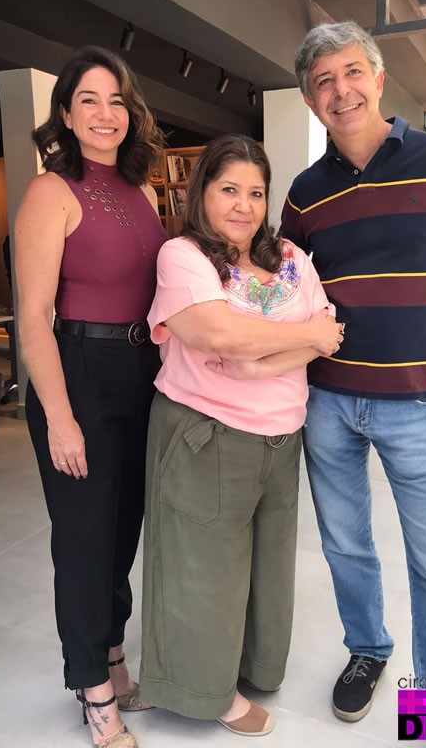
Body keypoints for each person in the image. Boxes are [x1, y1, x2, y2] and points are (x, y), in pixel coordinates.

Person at [281, 21, 426, 747]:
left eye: (352, 72)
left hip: (416, 401)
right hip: (327, 400)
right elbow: (291, 290)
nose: (340, 90)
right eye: (323, 81)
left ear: (378, 79)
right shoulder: (304, 194)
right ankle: (368, 649)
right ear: (310, 100)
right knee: (345, 547)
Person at [138, 134, 343, 736]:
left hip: (282, 437)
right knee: (205, 570)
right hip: (207, 434)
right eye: (229, 189)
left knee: (268, 568)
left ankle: (255, 667)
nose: (244, 206)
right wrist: (298, 339)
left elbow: (329, 331)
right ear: (201, 191)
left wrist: (258, 365)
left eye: (256, 192)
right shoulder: (182, 257)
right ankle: (208, 693)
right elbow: (219, 335)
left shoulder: (290, 256)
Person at [14, 46, 167, 748]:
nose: (106, 114)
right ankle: (91, 684)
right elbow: (33, 316)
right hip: (78, 371)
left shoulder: (142, 189)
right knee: (84, 539)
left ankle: (111, 651)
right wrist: (59, 418)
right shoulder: (51, 191)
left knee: (123, 529)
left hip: (141, 371)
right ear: (67, 115)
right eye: (89, 100)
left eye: (117, 101)